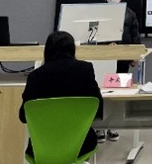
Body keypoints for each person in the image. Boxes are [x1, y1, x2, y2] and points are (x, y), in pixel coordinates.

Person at [19, 31, 103, 160]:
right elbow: (98, 107)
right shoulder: (84, 69)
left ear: (47, 51)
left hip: (42, 147)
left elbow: (23, 116)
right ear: (72, 49)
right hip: (80, 145)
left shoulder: (35, 76)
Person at [99, 0, 141, 142]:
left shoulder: (130, 14)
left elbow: (135, 35)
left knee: (119, 90)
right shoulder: (97, 10)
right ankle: (98, 127)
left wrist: (134, 55)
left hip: (122, 58)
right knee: (101, 90)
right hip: (101, 58)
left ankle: (113, 126)